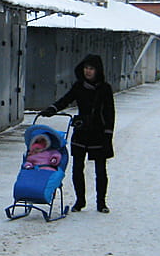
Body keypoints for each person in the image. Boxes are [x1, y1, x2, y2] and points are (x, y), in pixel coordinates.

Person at [40, 54, 115, 213]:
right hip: (81, 132)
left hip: (99, 133)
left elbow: (110, 112)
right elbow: (66, 100)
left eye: (91, 68)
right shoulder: (79, 86)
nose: (88, 71)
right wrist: (52, 109)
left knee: (100, 170)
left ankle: (101, 203)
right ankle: (80, 200)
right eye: (86, 68)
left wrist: (108, 133)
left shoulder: (105, 88)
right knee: (77, 168)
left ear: (97, 70)